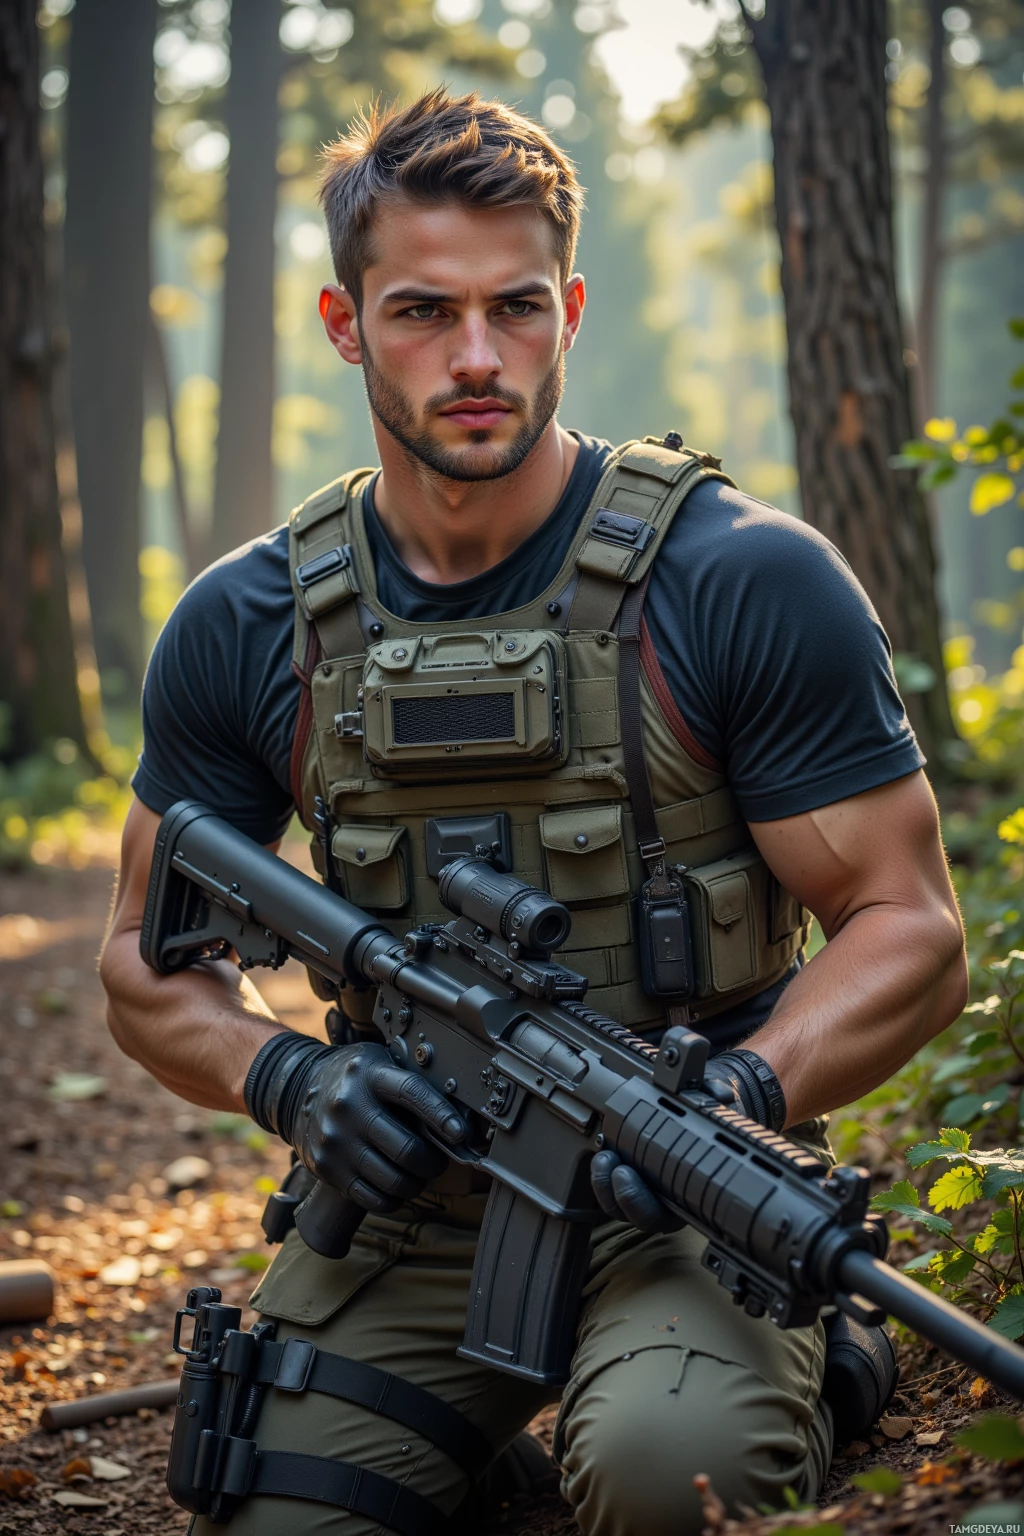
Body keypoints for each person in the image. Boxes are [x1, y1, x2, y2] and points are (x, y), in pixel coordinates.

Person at [101, 90, 967, 1536]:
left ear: (568, 307)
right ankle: (481, 1453)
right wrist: (296, 1084)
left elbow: (912, 928)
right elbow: (145, 954)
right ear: (341, 321)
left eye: (515, 308)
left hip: (687, 1194)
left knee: (664, 1480)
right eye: (423, 313)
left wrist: (734, 1102)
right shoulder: (249, 622)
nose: (478, 358)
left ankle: (802, 1369)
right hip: (415, 1215)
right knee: (281, 1511)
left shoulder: (743, 578)